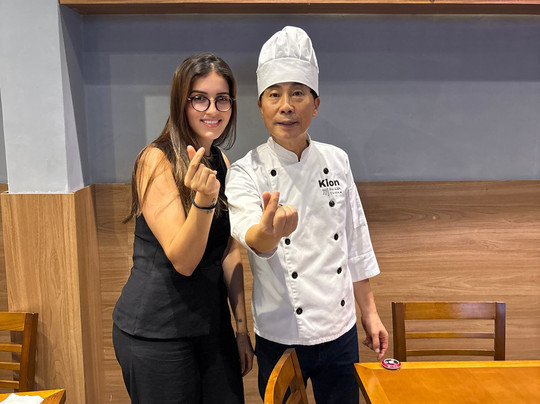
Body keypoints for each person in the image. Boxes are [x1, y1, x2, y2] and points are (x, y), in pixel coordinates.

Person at [225, 26, 388, 403]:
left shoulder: (337, 160)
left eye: (298, 93)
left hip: (340, 329)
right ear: (261, 107)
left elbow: (354, 242)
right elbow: (253, 238)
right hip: (280, 336)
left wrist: (370, 313)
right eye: (274, 94)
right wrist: (270, 232)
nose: (286, 105)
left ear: (315, 105)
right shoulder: (246, 171)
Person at [112, 52, 253, 404]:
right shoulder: (155, 159)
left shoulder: (220, 160)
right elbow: (183, 261)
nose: (213, 110)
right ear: (181, 102)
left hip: (212, 326)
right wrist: (204, 201)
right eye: (199, 98)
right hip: (157, 331)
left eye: (222, 99)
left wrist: (241, 328)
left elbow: (227, 249)